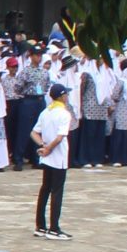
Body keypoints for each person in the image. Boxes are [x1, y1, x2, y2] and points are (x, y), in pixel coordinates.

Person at [31, 81, 73, 240]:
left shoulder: (45, 112)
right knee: (56, 191)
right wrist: (48, 148)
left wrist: (43, 145)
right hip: (58, 157)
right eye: (66, 94)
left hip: (47, 158)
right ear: (62, 96)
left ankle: (40, 226)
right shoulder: (64, 114)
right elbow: (61, 137)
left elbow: (34, 133)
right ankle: (54, 227)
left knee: (45, 190)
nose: (67, 96)